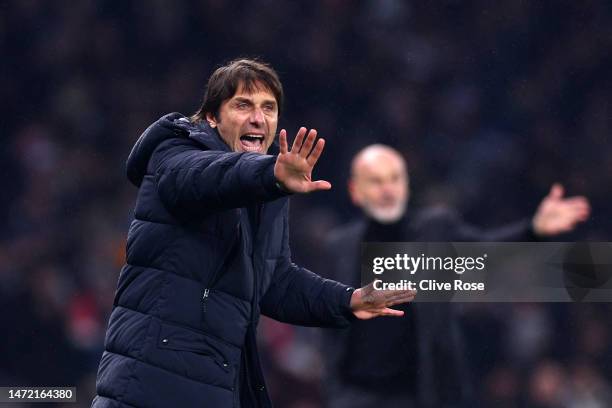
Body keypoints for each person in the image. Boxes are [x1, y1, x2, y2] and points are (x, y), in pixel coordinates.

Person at [90, 61, 415, 408]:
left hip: (214, 384)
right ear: (212, 117)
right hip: (148, 384)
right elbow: (205, 178)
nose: (258, 118)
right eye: (243, 105)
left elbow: (275, 281)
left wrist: (348, 300)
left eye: (268, 108)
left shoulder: (267, 191)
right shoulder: (175, 153)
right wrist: (270, 176)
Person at [321, 144, 590, 408]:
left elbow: (488, 256)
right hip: (356, 396)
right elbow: (328, 326)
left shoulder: (434, 229)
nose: (388, 189)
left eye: (395, 178)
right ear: (355, 191)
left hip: (424, 395)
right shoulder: (339, 247)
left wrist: (533, 230)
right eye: (376, 181)